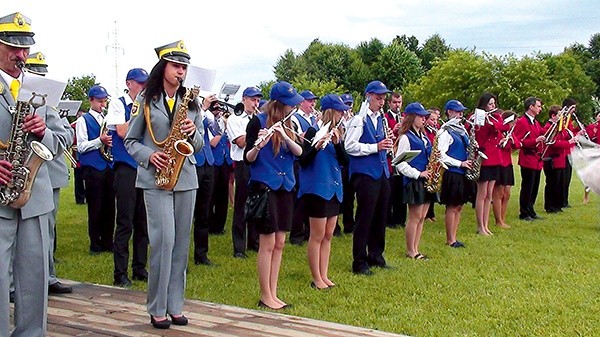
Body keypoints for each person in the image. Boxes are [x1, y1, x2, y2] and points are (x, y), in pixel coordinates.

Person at [0, 12, 72, 335]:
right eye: (12, 47)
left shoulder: (38, 89)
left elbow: (64, 139)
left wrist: (44, 131)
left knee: (34, 282)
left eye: (25, 48)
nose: (21, 55)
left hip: (35, 199)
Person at [124, 40, 204, 329]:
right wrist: (150, 155)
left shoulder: (192, 103)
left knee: (181, 245)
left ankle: (175, 305)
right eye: (176, 66)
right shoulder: (145, 100)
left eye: (184, 67)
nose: (181, 72)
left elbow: (199, 144)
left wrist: (194, 131)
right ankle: (156, 307)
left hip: (185, 177)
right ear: (163, 67)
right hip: (156, 178)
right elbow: (131, 141)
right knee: (163, 242)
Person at [244, 81, 304, 310]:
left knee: (280, 242)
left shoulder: (291, 124)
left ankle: (274, 291)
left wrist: (286, 137)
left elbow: (300, 152)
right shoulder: (256, 122)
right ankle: (265, 294)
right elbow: (248, 158)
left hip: (285, 186)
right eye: (289, 105)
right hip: (265, 186)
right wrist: (259, 145)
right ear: (279, 105)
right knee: (267, 242)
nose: (292, 109)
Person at [24, 51, 74, 295]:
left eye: (42, 73)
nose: (39, 78)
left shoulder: (48, 105)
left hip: (44, 175)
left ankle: (47, 275)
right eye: (34, 72)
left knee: (46, 230)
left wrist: (45, 133)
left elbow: (66, 135)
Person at [298, 94, 349, 289]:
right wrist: (317, 146)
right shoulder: (313, 131)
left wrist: (337, 144)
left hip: (334, 186)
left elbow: (346, 162)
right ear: (331, 111)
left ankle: (324, 274)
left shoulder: (338, 133)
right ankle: (315, 277)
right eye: (339, 110)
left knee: (328, 234)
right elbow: (303, 160)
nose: (342, 114)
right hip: (317, 188)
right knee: (317, 235)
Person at [104, 68, 149, 287]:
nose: (144, 87)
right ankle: (119, 272)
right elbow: (121, 131)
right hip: (126, 167)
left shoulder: (146, 104)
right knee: (125, 222)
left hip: (143, 166)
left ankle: (140, 267)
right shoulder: (118, 103)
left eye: (145, 83)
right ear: (129, 83)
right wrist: (143, 118)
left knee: (143, 221)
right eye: (140, 83)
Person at [344, 80, 393, 275]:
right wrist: (375, 147)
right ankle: (359, 261)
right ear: (368, 97)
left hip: (381, 171)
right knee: (364, 217)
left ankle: (376, 255)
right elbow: (349, 146)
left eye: (383, 99)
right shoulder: (359, 119)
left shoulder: (380, 119)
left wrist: (388, 148)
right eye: (378, 98)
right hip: (365, 174)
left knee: (381, 216)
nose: (381, 102)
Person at [76, 84, 116, 254]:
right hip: (92, 168)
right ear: (91, 100)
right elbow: (81, 146)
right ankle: (95, 244)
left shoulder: (106, 119)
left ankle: (108, 242)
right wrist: (100, 140)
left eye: (105, 101)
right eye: (100, 101)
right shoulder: (82, 120)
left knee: (109, 207)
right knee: (95, 207)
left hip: (108, 166)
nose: (103, 105)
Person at [226, 86, 263, 258]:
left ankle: (254, 242)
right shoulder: (235, 119)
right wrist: (258, 135)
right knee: (241, 205)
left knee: (256, 203)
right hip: (242, 163)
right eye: (252, 99)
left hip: (256, 163)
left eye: (257, 100)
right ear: (244, 100)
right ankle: (238, 247)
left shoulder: (258, 118)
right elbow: (241, 142)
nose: (255, 103)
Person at [393, 103, 432, 259]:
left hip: (427, 178)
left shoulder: (423, 136)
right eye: (421, 116)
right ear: (411, 117)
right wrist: (418, 174)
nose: (424, 119)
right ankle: (411, 250)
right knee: (415, 217)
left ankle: (416, 248)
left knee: (422, 216)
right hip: (415, 180)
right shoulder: (405, 137)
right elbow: (400, 162)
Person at [437, 100, 472, 247]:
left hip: (462, 172)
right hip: (452, 172)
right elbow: (441, 155)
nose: (460, 114)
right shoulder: (445, 131)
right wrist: (460, 163)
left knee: (459, 206)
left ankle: (454, 237)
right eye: (457, 111)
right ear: (449, 112)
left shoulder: (461, 130)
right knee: (452, 206)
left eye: (461, 112)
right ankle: (450, 239)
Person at [472, 93, 507, 236]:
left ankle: (486, 225)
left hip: (495, 157)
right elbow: (477, 132)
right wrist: (481, 121)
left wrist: (491, 122)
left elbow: (502, 127)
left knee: (489, 194)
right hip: (484, 157)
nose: (493, 107)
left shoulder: (496, 117)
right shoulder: (477, 116)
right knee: (482, 193)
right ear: (484, 105)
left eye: (494, 104)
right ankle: (480, 226)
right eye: (490, 104)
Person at [290, 89, 319, 246]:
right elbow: (297, 138)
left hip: (310, 159)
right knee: (299, 198)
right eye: (310, 101)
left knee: (309, 196)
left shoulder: (313, 117)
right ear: (301, 102)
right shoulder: (294, 118)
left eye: (313, 101)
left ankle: (309, 231)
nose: (313, 104)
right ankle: (296, 233)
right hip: (298, 160)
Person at [192, 96, 218, 266]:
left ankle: (201, 254)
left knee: (204, 211)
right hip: (194, 162)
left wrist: (209, 110)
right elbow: (196, 128)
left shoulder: (206, 113)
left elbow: (216, 129)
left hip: (208, 161)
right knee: (188, 213)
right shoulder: (191, 111)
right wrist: (203, 107)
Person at [512, 97, 546, 221]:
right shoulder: (522, 122)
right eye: (538, 106)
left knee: (535, 186)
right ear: (531, 107)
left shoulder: (535, 122)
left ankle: (531, 210)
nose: (540, 109)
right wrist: (534, 141)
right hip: (528, 158)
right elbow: (518, 141)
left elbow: (542, 133)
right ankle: (524, 212)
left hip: (536, 159)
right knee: (527, 186)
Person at [541, 105, 577, 213]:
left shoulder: (559, 127)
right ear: (553, 115)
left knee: (559, 183)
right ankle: (550, 206)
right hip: (552, 158)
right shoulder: (548, 127)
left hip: (560, 159)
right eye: (559, 115)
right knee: (552, 183)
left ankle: (557, 204)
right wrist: (568, 143)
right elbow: (553, 143)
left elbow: (564, 136)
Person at [207, 102, 232, 235]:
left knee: (223, 195)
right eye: (215, 109)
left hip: (225, 161)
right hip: (214, 161)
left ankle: (220, 225)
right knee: (212, 194)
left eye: (219, 109)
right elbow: (213, 142)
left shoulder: (223, 121)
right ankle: (211, 224)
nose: (218, 111)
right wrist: (221, 130)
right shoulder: (210, 123)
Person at [493, 110, 519, 228]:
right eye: (512, 122)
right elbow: (496, 146)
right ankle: (498, 220)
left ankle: (503, 218)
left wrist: (511, 140)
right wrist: (502, 142)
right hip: (499, 162)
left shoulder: (510, 132)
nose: (513, 125)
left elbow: (518, 144)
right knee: (499, 193)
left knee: (507, 193)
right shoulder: (498, 131)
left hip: (508, 163)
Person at [384, 92, 405, 229]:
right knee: (390, 192)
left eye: (399, 102)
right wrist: (394, 129)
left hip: (401, 157)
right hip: (389, 158)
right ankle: (389, 219)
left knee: (400, 191)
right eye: (395, 102)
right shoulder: (385, 118)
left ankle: (400, 219)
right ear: (389, 103)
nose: (397, 105)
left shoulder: (403, 118)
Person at [338, 93, 355, 234]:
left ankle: (349, 224)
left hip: (350, 161)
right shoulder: (338, 122)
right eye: (345, 105)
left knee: (349, 195)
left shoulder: (354, 121)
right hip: (339, 162)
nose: (348, 108)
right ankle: (336, 226)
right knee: (339, 194)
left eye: (350, 105)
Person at [424, 108, 440, 222]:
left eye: (436, 120)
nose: (434, 122)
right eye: (432, 120)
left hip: (434, 161)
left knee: (433, 187)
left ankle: (431, 212)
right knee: (427, 188)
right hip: (426, 161)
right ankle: (426, 214)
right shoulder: (424, 131)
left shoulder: (436, 131)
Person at [583, 111, 600, 203]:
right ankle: (586, 195)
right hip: (594, 152)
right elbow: (588, 139)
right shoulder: (591, 127)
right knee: (590, 175)